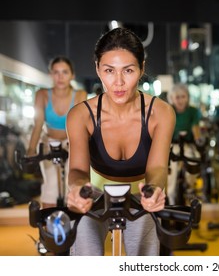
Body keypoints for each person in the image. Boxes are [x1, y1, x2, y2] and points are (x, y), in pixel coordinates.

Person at [65, 27, 175, 256]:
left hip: (140, 196)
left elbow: (157, 167)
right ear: (97, 69)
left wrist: (154, 191)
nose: (118, 82)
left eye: (128, 70)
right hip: (94, 193)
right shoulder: (80, 115)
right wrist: (77, 189)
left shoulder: (161, 113)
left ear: (142, 67)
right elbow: (76, 169)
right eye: (109, 70)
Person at [26, 56, 87, 209]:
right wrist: (31, 150)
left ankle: (74, 228)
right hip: (49, 142)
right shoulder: (42, 95)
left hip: (72, 142)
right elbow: (38, 124)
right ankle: (48, 229)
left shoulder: (80, 95)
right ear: (50, 75)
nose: (60, 77)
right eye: (56, 72)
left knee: (73, 184)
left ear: (72, 75)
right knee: (51, 186)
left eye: (65, 72)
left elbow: (81, 126)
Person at [167, 83, 202, 205]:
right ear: (171, 98)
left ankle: (190, 188)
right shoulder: (168, 110)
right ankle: (171, 200)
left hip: (188, 144)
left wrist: (198, 139)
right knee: (171, 172)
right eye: (177, 97)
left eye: (183, 96)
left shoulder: (193, 111)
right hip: (172, 145)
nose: (180, 100)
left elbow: (195, 127)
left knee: (193, 162)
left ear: (187, 97)